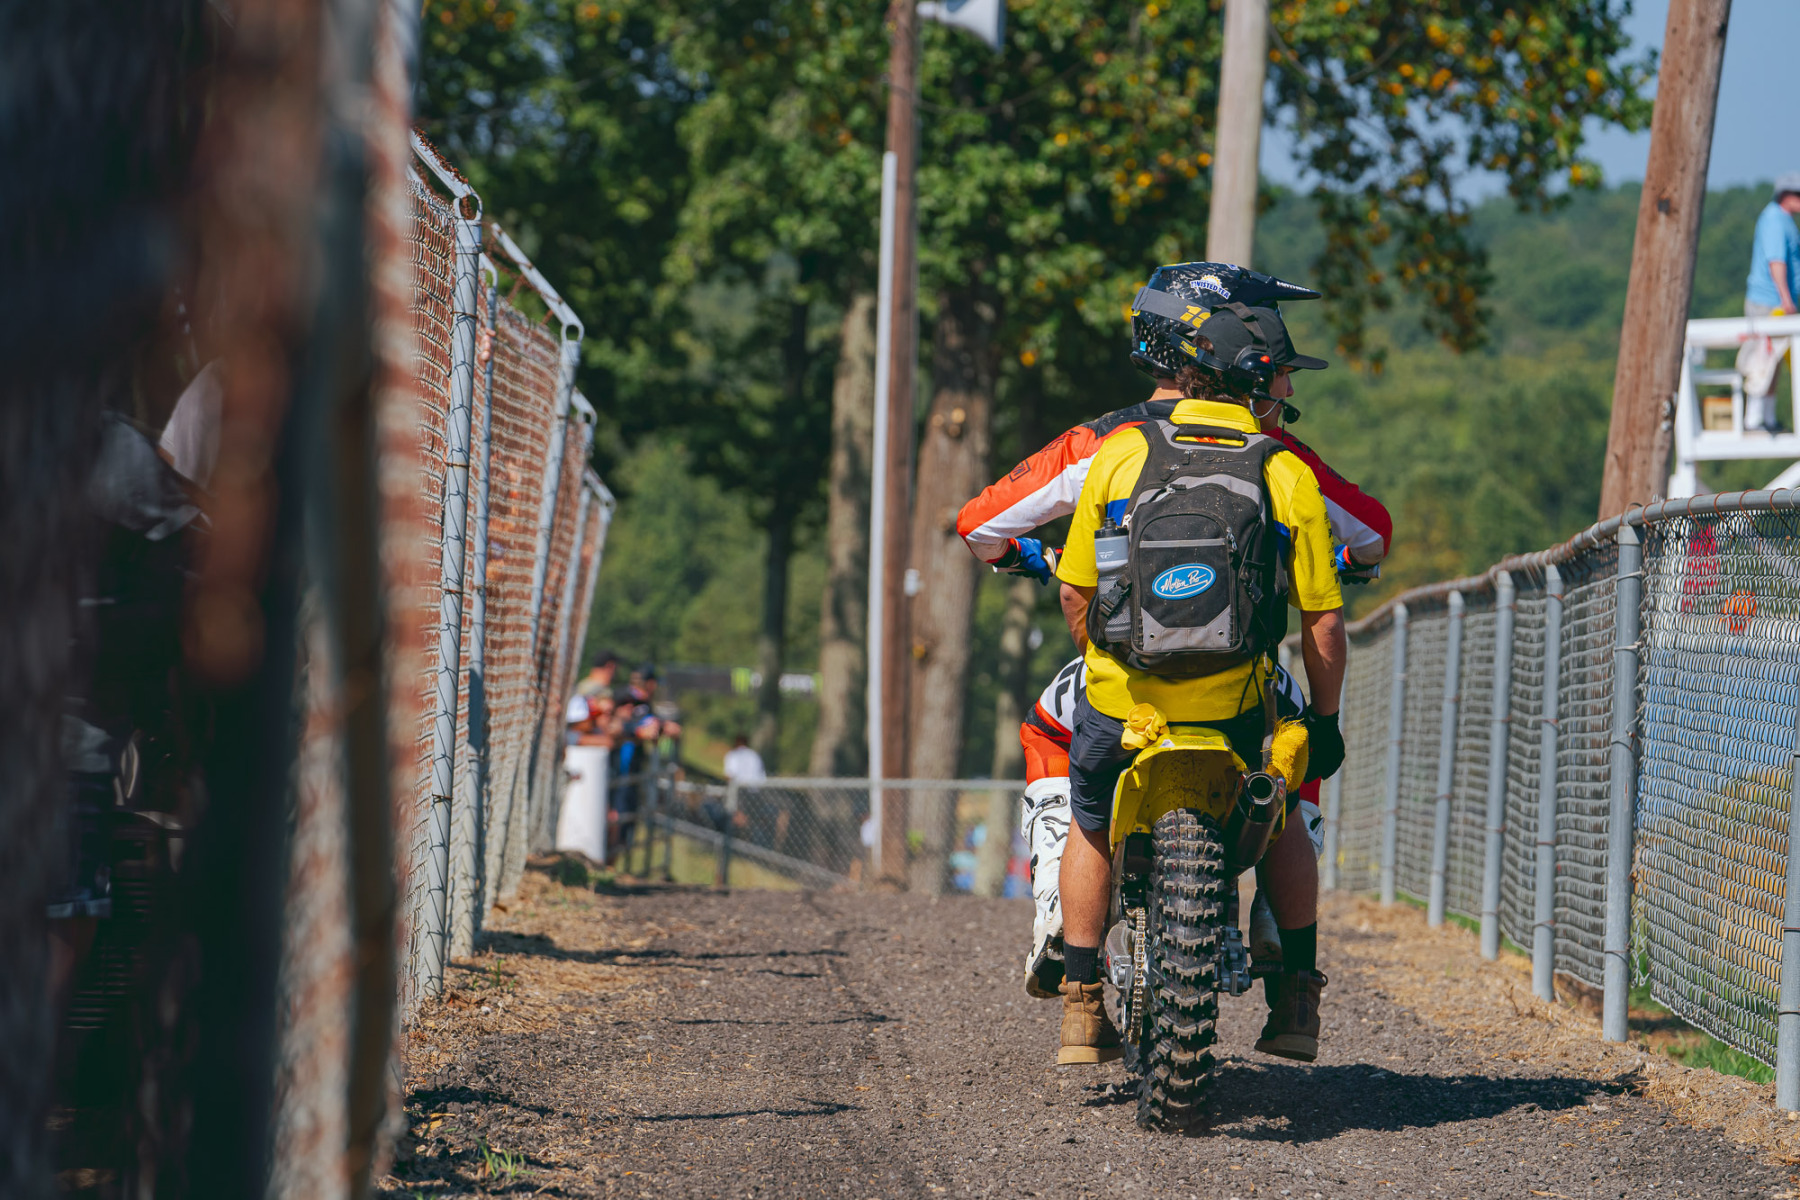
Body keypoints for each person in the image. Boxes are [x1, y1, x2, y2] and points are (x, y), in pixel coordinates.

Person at [1049, 262, 1348, 1067]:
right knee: (1281, 809)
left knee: (1088, 819)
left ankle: (1081, 1008)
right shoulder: (1284, 472)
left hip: (1124, 704)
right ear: (1257, 381)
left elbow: (1077, 588)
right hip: (1234, 709)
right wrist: (1322, 722)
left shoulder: (1119, 456)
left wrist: (1108, 664)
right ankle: (1295, 1000)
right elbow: (1322, 618)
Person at [1739, 173, 1800, 433]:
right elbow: (1777, 261)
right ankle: (1754, 419)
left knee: (1773, 363)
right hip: (1770, 303)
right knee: (1762, 361)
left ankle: (1768, 419)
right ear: (1787, 196)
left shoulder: (1781, 219)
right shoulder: (1775, 220)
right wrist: (1787, 300)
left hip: (1776, 302)